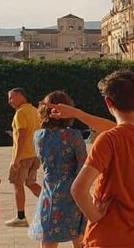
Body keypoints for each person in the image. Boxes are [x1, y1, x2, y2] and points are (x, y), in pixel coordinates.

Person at [67, 69, 134, 248]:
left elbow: (78, 189)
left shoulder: (108, 140)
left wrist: (95, 215)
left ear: (108, 101)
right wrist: (77, 113)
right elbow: (121, 128)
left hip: (107, 238)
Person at [30, 91, 87, 248]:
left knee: (48, 235)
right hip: (73, 188)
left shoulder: (39, 136)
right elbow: (83, 163)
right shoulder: (74, 135)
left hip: (49, 189)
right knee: (78, 236)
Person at [5, 87, 42, 227]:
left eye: (11, 97)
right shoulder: (34, 111)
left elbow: (21, 135)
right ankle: (52, 203)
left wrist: (16, 159)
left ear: (21, 96)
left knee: (17, 184)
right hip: (34, 154)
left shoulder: (20, 113)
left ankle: (21, 217)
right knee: (31, 183)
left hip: (23, 156)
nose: (9, 101)